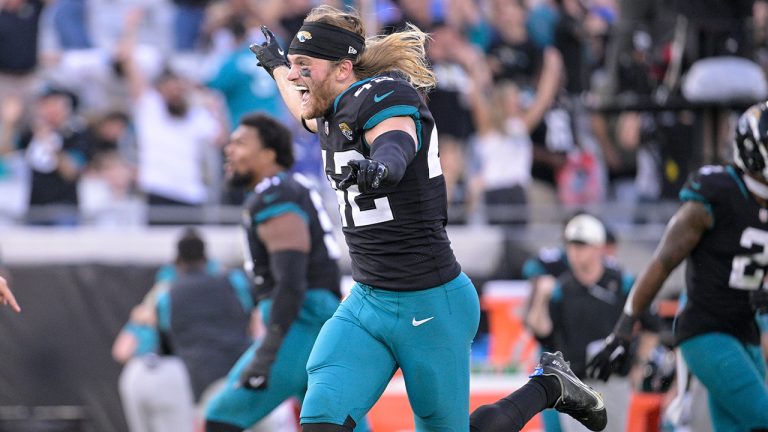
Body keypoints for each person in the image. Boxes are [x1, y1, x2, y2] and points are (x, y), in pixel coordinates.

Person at [250, 6, 606, 431]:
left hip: (430, 301)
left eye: (304, 66)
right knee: (320, 418)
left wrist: (383, 167)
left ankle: (549, 385)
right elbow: (301, 105)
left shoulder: (384, 94)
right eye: (294, 66)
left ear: (343, 69)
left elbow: (396, 138)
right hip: (368, 301)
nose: (295, 76)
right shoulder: (327, 106)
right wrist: (276, 66)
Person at [586, 102, 768, 431]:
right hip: (707, 329)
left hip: (747, 328)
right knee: (762, 414)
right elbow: (663, 262)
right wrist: (624, 328)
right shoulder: (717, 194)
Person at [203, 113, 368, 432]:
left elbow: (291, 278)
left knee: (222, 417)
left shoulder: (275, 193)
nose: (228, 149)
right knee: (334, 425)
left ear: (268, 154)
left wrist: (269, 348)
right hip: (315, 319)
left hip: (300, 321)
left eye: (240, 143)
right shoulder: (289, 188)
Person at [527, 213, 659, 432]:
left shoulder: (622, 283)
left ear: (598, 247)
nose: (575, 251)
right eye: (571, 245)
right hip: (575, 382)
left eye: (582, 245)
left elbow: (652, 326)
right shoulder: (561, 289)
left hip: (614, 380)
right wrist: (540, 298)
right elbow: (543, 334)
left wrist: (639, 364)